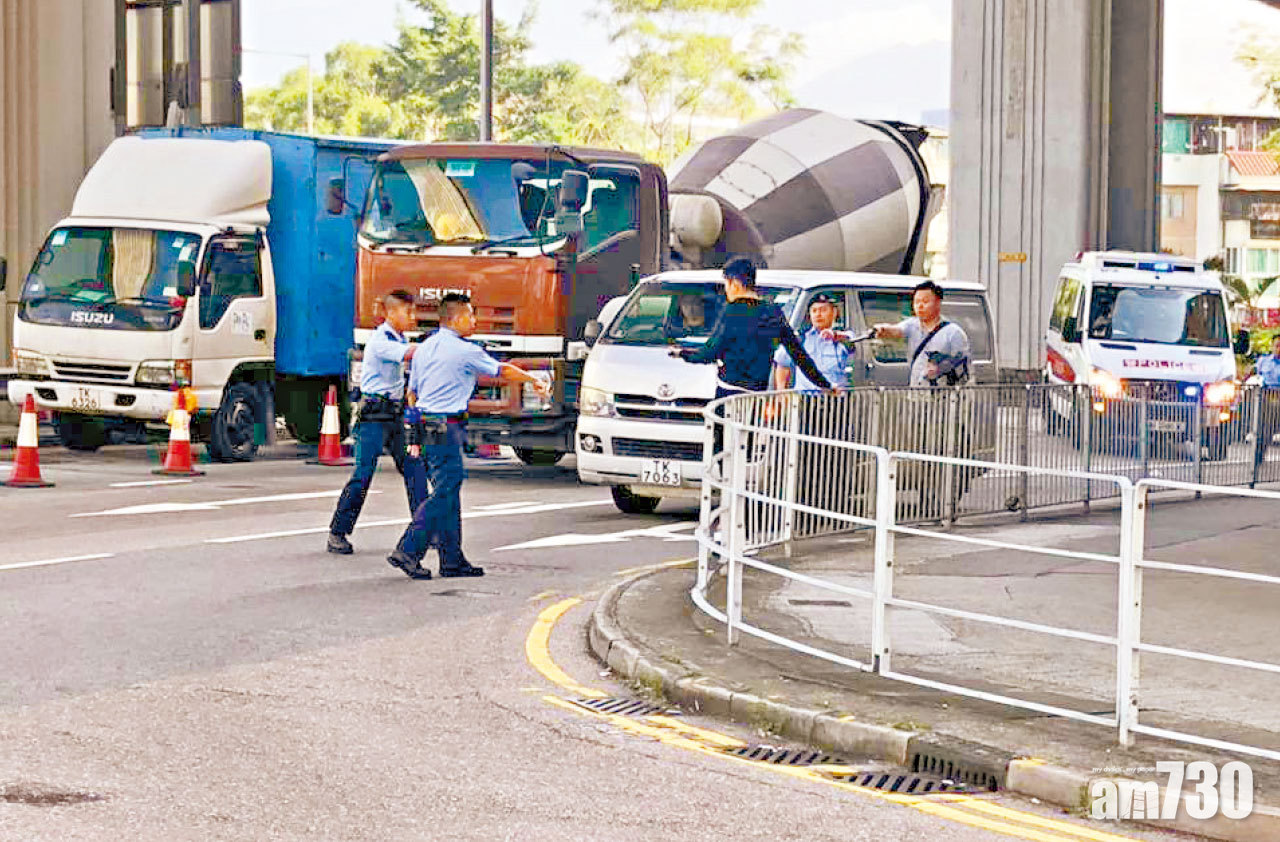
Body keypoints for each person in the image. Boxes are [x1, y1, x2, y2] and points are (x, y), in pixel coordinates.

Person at [388, 293, 552, 579]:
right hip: (446, 427)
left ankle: (452, 560)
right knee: (445, 492)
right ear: (456, 319)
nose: (474, 321)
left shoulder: (424, 349)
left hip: (425, 425)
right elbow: (503, 370)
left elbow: (411, 393)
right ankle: (409, 549)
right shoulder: (465, 350)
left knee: (448, 492)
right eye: (470, 315)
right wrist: (534, 380)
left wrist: (414, 430)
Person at [327, 290, 424, 555]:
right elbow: (409, 354)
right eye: (407, 311)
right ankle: (338, 532)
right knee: (363, 474)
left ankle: (425, 530)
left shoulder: (400, 338)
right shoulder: (381, 340)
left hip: (394, 415)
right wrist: (439, 346)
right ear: (391, 313)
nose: (412, 317)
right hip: (373, 417)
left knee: (414, 469)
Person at [674, 258, 833, 397]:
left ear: (734, 284)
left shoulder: (732, 311)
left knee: (723, 424)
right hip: (756, 395)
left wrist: (683, 354)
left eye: (726, 284)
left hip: (730, 392)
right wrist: (825, 385)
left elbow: (711, 351)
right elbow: (798, 354)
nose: (726, 290)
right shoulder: (773, 312)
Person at [873, 280, 972, 386]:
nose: (920, 306)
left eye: (925, 302)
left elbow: (963, 367)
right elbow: (896, 330)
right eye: (916, 302)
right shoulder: (911, 325)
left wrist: (940, 368)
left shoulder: (954, 333)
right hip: (917, 391)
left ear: (938, 303)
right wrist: (883, 330)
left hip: (944, 392)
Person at [773, 293, 852, 392]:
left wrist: (835, 335)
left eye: (823, 310)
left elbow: (852, 344)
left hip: (834, 396)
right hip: (805, 396)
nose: (818, 315)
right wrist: (781, 392)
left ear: (834, 312)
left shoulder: (843, 337)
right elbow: (783, 364)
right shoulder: (800, 338)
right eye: (814, 311)